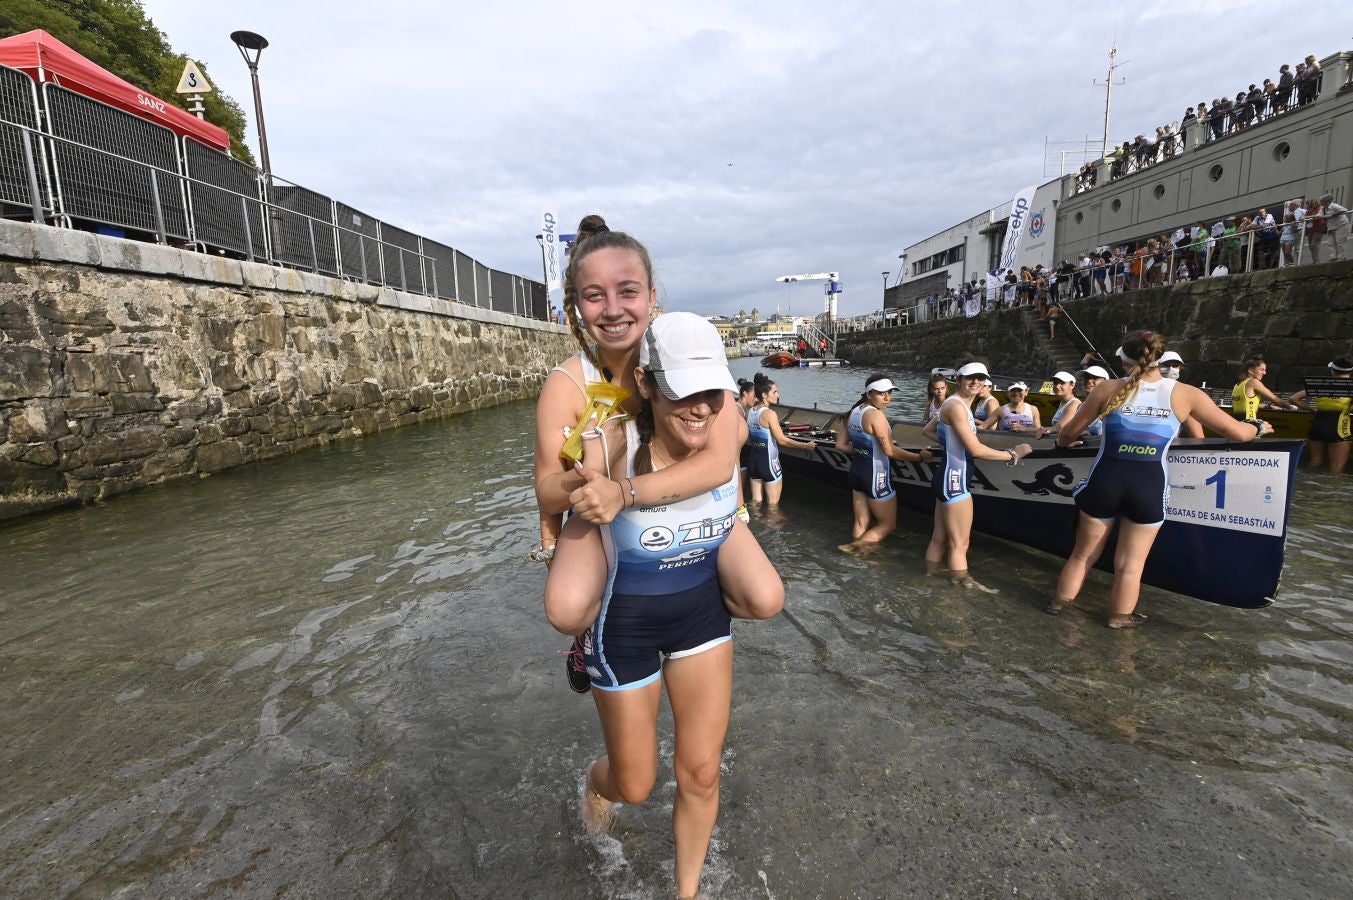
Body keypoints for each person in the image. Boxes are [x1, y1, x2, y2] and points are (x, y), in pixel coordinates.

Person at [544, 312, 784, 899]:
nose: (701, 407)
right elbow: (552, 491)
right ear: (648, 385)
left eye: (712, 391)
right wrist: (580, 495)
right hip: (623, 627)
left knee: (700, 774)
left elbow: (717, 466)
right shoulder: (613, 446)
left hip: (701, 617)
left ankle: (687, 892)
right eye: (683, 391)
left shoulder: (726, 431)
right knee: (635, 784)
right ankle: (594, 786)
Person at [533, 216, 777, 692]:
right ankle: (598, 633)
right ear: (577, 307)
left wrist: (623, 490)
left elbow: (718, 460)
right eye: (594, 296)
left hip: (686, 505)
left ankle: (686, 604)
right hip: (606, 515)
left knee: (764, 598)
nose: (612, 310)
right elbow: (546, 491)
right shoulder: (567, 385)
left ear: (651, 296)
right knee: (565, 609)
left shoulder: (684, 352)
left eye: (627, 292)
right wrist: (589, 473)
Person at [1049, 331, 1272, 628]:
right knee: (1131, 566)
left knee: (1082, 556)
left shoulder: (1107, 389)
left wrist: (1065, 444)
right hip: (1149, 487)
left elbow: (1067, 435)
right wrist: (1258, 426)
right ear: (1160, 358)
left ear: (1123, 358)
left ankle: (1057, 607)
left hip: (1105, 481)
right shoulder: (1186, 394)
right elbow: (1238, 433)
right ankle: (1119, 619)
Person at [922, 362, 1033, 591]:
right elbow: (976, 450)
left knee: (939, 539)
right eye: (970, 378)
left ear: (986, 382)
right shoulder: (956, 407)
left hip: (945, 476)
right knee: (960, 544)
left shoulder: (951, 405)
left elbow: (928, 431)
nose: (976, 382)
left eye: (980, 378)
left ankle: (930, 578)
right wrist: (1013, 454)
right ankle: (960, 589)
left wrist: (953, 444)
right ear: (959, 380)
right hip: (955, 480)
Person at [835, 374, 934, 550]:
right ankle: (855, 548)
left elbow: (841, 446)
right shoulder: (876, 416)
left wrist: (865, 449)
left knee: (861, 521)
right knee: (887, 525)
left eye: (889, 392)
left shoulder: (852, 413)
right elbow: (889, 451)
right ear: (869, 394)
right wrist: (919, 457)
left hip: (857, 473)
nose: (887, 397)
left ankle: (858, 559)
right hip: (876, 475)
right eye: (881, 393)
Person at [746, 373, 815, 508]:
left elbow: (749, 439)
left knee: (755, 503)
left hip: (754, 461)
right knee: (773, 508)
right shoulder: (770, 414)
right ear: (764, 395)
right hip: (769, 464)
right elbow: (782, 440)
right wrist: (806, 446)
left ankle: (753, 527)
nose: (778, 395)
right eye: (775, 392)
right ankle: (772, 529)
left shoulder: (750, 412)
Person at [1288, 358, 1353, 474]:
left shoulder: (1321, 384)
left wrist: (1312, 409)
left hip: (1317, 426)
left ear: (1333, 370)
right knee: (1336, 470)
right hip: (1337, 429)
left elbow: (1293, 398)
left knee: (1314, 464)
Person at [1158, 351, 1203, 438]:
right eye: (1166, 365)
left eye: (1175, 366)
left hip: (1169, 448)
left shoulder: (1184, 394)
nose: (1171, 369)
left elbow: (1197, 434)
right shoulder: (1138, 387)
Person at [1231, 355, 1284, 421]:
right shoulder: (1253, 382)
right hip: (1248, 422)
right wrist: (1291, 407)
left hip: (1236, 421)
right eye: (1262, 370)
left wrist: (1268, 406)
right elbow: (1276, 400)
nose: (1264, 373)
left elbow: (1247, 404)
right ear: (1250, 370)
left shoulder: (1238, 385)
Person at [1036, 372, 1081, 439]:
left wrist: (1026, 429)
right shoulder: (1062, 403)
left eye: (1062, 383)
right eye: (1055, 383)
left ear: (1072, 385)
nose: (1057, 386)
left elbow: (1058, 428)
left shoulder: (1074, 403)